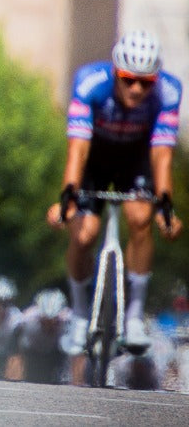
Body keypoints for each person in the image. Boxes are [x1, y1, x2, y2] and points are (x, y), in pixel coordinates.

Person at [49, 29, 182, 351]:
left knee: (140, 218)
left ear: (156, 79)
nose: (136, 89)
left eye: (145, 82)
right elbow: (77, 149)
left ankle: (134, 317)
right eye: (128, 79)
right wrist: (67, 196)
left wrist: (166, 205)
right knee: (83, 235)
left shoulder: (169, 91)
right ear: (114, 73)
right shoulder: (89, 82)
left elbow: (161, 154)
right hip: (95, 158)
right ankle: (81, 315)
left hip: (136, 160)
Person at [17, 288, 77, 385]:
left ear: (60, 316)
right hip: (32, 352)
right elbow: (17, 347)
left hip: (56, 352)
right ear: (39, 316)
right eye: (45, 321)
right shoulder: (27, 319)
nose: (50, 326)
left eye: (54, 321)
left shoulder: (69, 319)